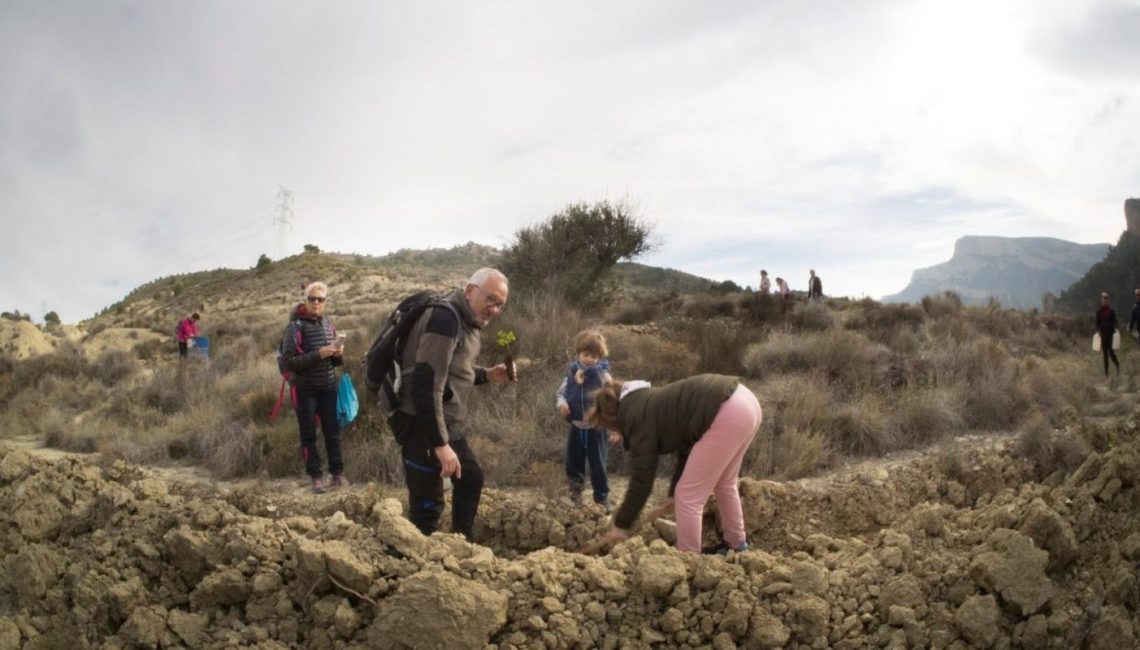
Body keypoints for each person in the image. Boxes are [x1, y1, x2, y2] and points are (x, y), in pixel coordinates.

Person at [389, 268, 516, 541]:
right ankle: (413, 561)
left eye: (500, 305)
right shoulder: (445, 320)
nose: (494, 309)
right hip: (420, 422)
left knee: (470, 479)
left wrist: (487, 375)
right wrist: (439, 444)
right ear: (470, 291)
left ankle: (461, 545)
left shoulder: (466, 321)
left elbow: (452, 371)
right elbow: (425, 383)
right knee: (428, 506)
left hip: (444, 421)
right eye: (490, 299)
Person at [589, 374, 762, 553]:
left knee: (688, 497)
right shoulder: (645, 402)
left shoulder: (636, 417)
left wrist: (621, 525)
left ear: (611, 418)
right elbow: (687, 446)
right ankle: (737, 544)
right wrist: (672, 494)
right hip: (745, 401)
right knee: (725, 483)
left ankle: (688, 559)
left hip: (726, 411)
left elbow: (642, 478)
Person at [279, 282, 345, 493]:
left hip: (328, 387)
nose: (316, 302)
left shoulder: (328, 324)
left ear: (325, 302)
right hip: (304, 390)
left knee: (332, 432)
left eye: (320, 299)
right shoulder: (294, 327)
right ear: (305, 300)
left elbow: (335, 363)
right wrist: (318, 354)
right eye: (312, 298)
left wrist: (337, 355)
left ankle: (337, 474)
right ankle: (315, 477)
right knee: (308, 435)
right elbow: (289, 362)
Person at [555, 330, 613, 511]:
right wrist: (562, 404)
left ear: (599, 357)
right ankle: (575, 494)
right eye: (586, 355)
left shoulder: (603, 376)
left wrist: (614, 425)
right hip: (576, 426)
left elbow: (612, 399)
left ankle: (602, 498)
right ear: (578, 353)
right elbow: (561, 394)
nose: (589, 359)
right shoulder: (571, 373)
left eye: (594, 356)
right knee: (573, 462)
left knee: (598, 464)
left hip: (596, 427)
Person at [1096, 291, 1121, 378]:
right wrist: (1098, 330)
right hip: (1103, 335)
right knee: (1105, 355)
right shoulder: (1099, 312)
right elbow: (1097, 323)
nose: (1105, 300)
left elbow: (1115, 322)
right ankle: (1106, 374)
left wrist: (1116, 329)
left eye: (1106, 298)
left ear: (1108, 300)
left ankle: (1117, 364)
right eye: (1104, 298)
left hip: (1110, 334)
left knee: (1111, 352)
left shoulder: (1111, 311)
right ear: (1101, 299)